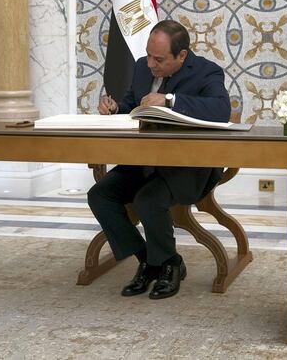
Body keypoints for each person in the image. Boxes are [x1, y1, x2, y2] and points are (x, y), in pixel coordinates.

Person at [88, 19, 231, 299]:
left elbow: (221, 109)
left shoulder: (206, 72)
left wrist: (170, 100)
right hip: (143, 162)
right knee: (100, 195)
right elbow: (135, 104)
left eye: (159, 59)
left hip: (189, 168)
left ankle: (165, 264)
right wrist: (117, 106)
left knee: (147, 200)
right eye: (149, 55)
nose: (150, 64)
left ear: (182, 56)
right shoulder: (142, 66)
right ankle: (155, 261)